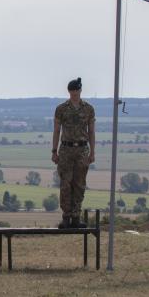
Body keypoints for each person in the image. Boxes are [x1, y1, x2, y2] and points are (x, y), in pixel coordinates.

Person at [52, 77, 96, 228]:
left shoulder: (88, 109)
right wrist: (54, 151)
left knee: (79, 184)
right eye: (72, 91)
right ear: (69, 91)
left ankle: (76, 216)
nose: (74, 94)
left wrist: (92, 152)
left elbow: (91, 132)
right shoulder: (61, 109)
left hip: (82, 149)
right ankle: (66, 217)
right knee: (65, 184)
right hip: (66, 150)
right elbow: (57, 130)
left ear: (80, 90)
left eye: (76, 91)